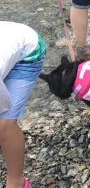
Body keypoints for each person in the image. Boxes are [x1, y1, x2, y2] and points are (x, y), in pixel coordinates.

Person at [0, 22, 46, 188]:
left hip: (29, 51)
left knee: (4, 124)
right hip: (8, 43)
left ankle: (17, 181)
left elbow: (4, 105)